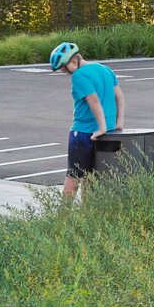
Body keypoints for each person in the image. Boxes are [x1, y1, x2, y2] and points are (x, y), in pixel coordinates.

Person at [51, 41, 122, 197]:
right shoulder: (105, 69)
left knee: (73, 178)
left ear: (74, 60)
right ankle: (87, 217)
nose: (63, 71)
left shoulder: (79, 75)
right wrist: (118, 123)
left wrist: (101, 127)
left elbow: (93, 100)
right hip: (107, 132)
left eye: (63, 67)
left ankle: (63, 219)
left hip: (83, 132)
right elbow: (120, 97)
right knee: (91, 178)